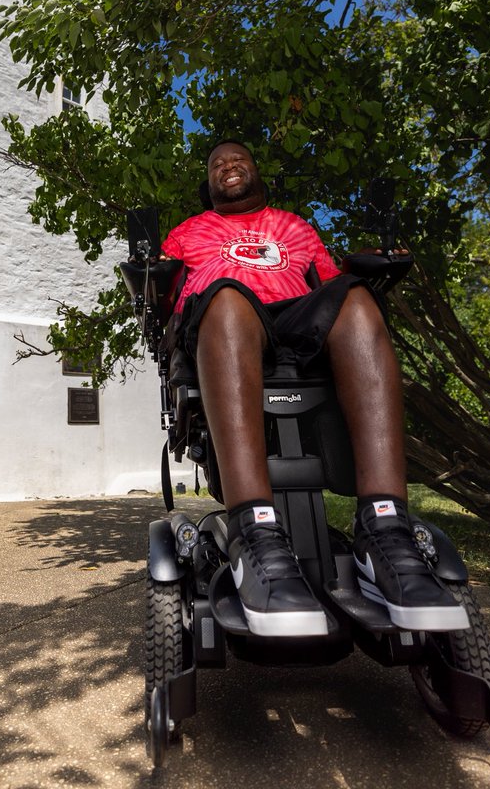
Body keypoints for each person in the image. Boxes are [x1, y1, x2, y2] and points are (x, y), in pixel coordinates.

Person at [161, 139, 468, 639]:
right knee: (228, 298)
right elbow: (166, 299)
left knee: (355, 299)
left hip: (297, 326)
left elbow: (328, 282)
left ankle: (383, 527)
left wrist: (368, 267)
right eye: (217, 165)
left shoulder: (294, 227)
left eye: (239, 158)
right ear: (208, 184)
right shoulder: (188, 232)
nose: (229, 165)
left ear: (257, 172)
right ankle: (254, 531)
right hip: (225, 324)